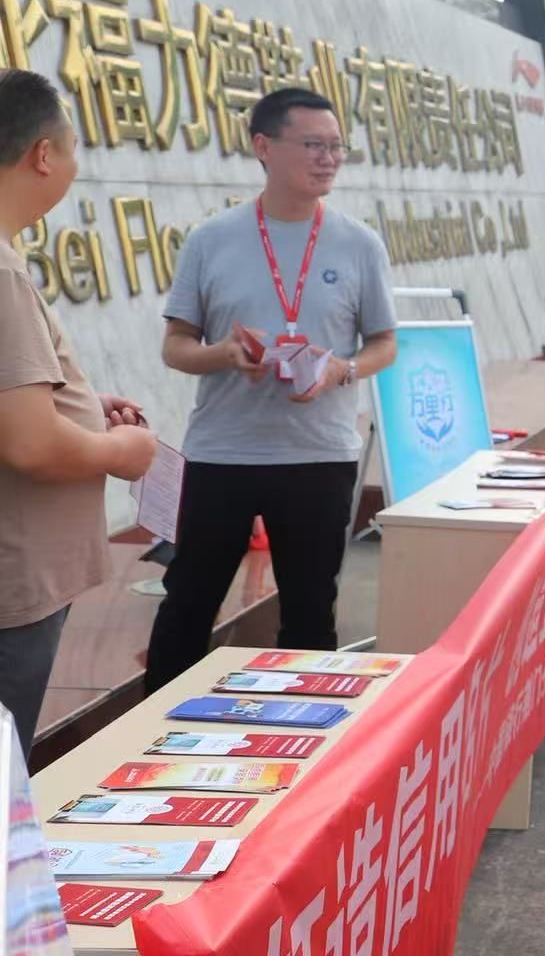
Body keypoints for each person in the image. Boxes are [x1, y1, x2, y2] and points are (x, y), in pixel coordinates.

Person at [143, 88, 398, 695]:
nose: (328, 158)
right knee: (189, 601)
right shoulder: (211, 240)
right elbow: (176, 346)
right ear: (264, 147)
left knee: (310, 611)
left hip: (319, 454)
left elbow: (384, 344)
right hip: (222, 453)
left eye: (336, 146)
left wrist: (339, 370)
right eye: (313, 145)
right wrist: (224, 355)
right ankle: (147, 732)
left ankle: (308, 736)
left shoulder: (359, 244)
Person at [0, 69, 156, 749]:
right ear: (43, 155)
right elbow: (31, 445)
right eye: (72, 147)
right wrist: (122, 451)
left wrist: (81, 405)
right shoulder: (1, 273)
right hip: (14, 583)